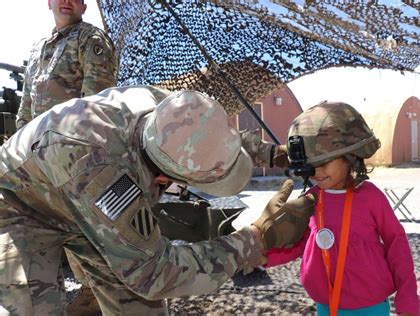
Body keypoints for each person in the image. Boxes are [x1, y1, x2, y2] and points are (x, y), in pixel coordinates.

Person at [0, 85, 316, 315]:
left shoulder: (170, 108)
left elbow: (211, 131)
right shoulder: (105, 175)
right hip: (22, 205)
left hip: (76, 189)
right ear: (165, 179)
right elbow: (154, 274)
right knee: (32, 307)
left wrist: (272, 153)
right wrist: (255, 240)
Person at [264, 101, 420, 316]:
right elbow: (298, 243)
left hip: (370, 307)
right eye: (310, 164)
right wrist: (259, 255)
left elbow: (396, 243)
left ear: (350, 157)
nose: (316, 172)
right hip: (326, 306)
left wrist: (407, 297)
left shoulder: (370, 198)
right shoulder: (310, 201)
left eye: (324, 162)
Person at [16, 0, 116, 129]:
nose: (67, 1)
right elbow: (25, 109)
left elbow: (97, 105)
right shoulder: (39, 49)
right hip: (37, 145)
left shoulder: (90, 39)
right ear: (49, 3)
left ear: (83, 8)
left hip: (74, 144)